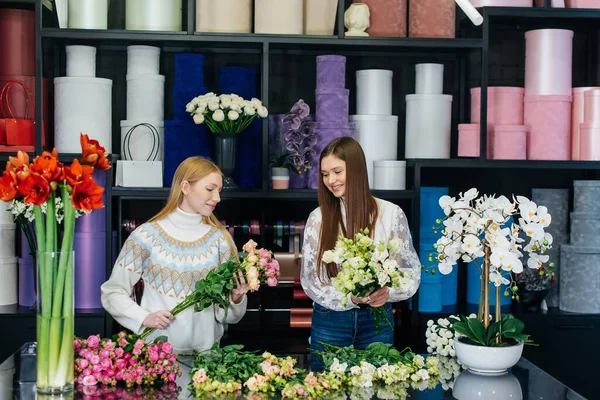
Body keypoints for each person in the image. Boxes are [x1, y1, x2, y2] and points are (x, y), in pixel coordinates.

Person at [101, 157, 248, 354]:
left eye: (219, 191)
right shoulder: (146, 236)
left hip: (206, 366)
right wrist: (143, 317)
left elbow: (226, 316)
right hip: (157, 361)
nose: (217, 198)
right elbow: (112, 292)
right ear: (185, 187)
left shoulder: (221, 240)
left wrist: (236, 299)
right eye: (210, 189)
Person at [301, 137, 421, 372]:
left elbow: (410, 273)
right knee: (326, 391)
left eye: (337, 171)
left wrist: (388, 292)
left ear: (356, 170)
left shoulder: (391, 214)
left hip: (377, 320)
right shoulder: (318, 218)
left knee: (378, 388)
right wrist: (349, 298)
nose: (330, 181)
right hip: (330, 320)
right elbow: (310, 280)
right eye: (325, 174)